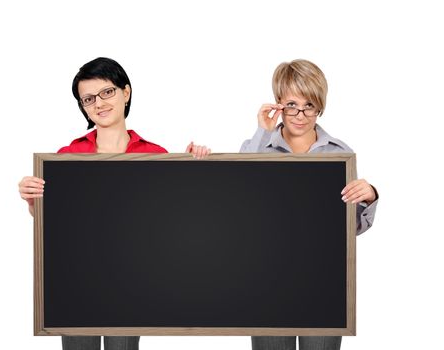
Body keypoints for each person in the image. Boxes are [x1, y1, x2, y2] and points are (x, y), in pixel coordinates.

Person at [19, 57, 210, 350]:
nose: (99, 103)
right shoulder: (67, 156)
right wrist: (33, 200)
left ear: (126, 92)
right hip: (77, 282)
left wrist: (189, 167)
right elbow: (55, 223)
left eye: (107, 92)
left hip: (130, 283)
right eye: (88, 99)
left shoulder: (154, 155)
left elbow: (171, 220)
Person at [240, 59, 378, 350]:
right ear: (278, 104)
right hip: (266, 284)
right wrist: (263, 133)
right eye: (291, 104)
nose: (300, 115)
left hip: (321, 285)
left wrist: (369, 197)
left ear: (320, 106)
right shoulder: (256, 146)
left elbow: (348, 229)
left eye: (309, 105)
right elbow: (242, 200)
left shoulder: (339, 154)